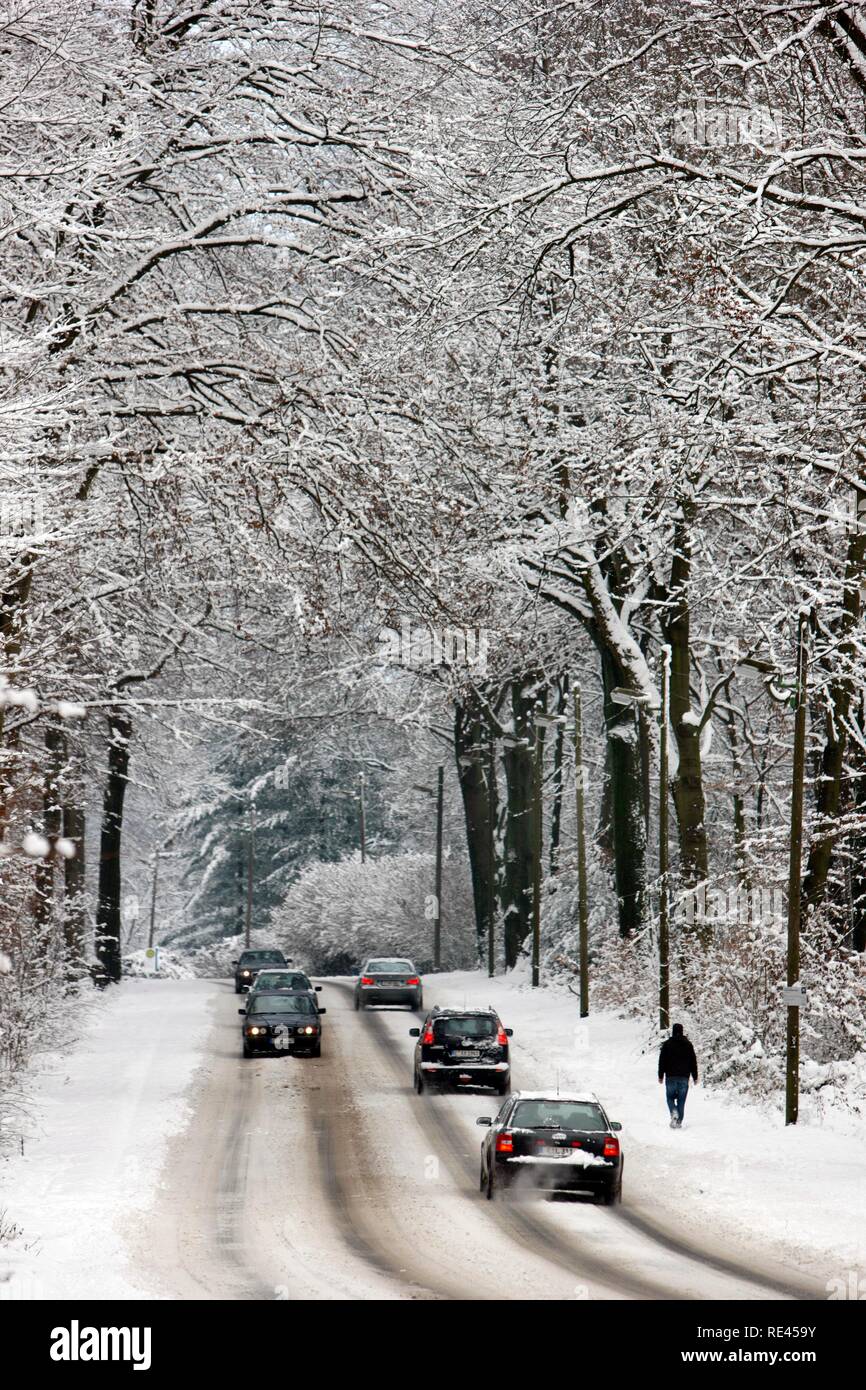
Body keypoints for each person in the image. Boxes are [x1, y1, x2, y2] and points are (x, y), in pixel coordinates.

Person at [658, 1023, 699, 1128]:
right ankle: (678, 1121)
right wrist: (695, 1076)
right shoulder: (688, 1045)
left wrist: (661, 1075)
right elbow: (693, 1061)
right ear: (682, 1031)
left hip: (670, 1077)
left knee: (670, 1098)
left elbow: (662, 1060)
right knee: (681, 1100)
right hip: (684, 1077)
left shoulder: (667, 1044)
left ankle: (673, 1111)